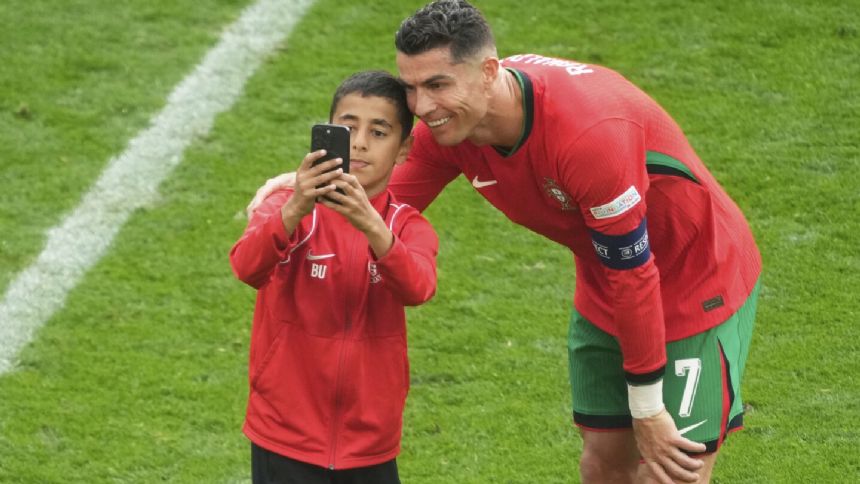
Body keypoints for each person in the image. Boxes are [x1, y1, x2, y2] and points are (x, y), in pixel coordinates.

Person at [247, 1, 762, 482]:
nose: (422, 107)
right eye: (411, 88)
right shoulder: (451, 128)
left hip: (698, 280)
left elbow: (635, 272)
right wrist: (299, 194)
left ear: (489, 72)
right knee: (603, 464)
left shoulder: (589, 137)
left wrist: (648, 408)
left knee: (668, 473)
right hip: (608, 286)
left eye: (437, 85)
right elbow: (373, 206)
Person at [230, 70, 438, 484]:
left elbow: (418, 288)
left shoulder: (407, 225)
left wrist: (371, 227)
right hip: (284, 433)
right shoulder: (288, 207)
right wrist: (294, 210)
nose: (360, 142)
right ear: (328, 131)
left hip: (369, 440)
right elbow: (246, 266)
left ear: (403, 149)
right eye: (348, 126)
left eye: (379, 132)